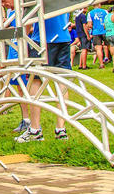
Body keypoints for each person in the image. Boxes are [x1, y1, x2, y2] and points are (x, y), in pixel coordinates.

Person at [16, 12, 72, 143]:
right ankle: (61, 128)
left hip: (42, 39)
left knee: (35, 81)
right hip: (63, 37)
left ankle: (35, 129)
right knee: (61, 82)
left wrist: (22, 38)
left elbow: (29, 15)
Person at [105, 7, 114, 72]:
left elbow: (104, 26)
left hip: (108, 35)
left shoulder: (106, 17)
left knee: (113, 53)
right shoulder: (113, 16)